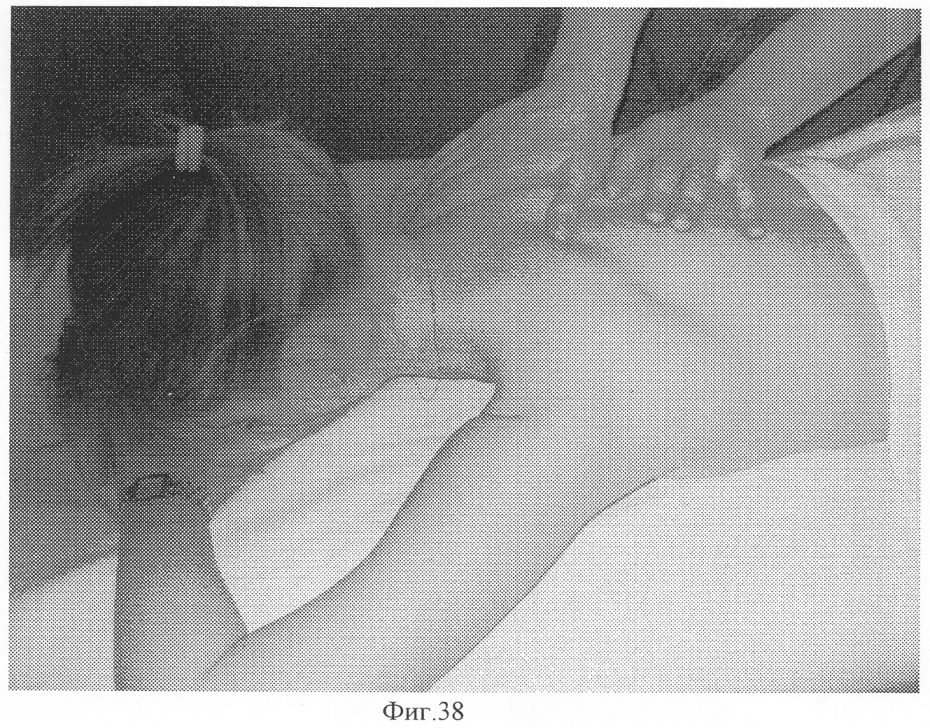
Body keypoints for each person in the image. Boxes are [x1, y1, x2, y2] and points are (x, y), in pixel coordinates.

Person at [10, 9, 914, 691]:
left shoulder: (564, 416)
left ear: (307, 373)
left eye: (248, 431)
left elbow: (223, 706)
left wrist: (159, 492)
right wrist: (730, 111)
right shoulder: (501, 169)